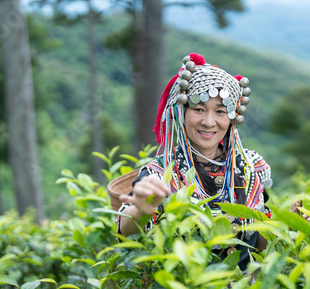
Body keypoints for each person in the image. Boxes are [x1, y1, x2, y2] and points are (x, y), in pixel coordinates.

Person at [116, 53, 274, 270]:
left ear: (232, 117)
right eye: (199, 109)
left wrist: (285, 224)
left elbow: (258, 245)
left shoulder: (250, 169)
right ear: (182, 111)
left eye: (220, 111)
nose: (209, 122)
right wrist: (141, 210)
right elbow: (127, 231)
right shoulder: (160, 173)